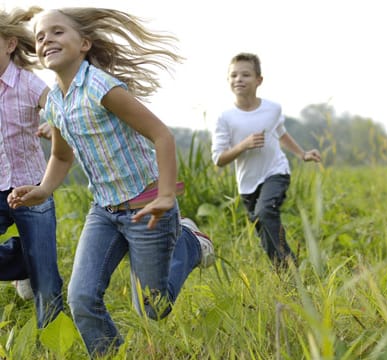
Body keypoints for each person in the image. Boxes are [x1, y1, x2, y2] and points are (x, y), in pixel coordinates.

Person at [8, 7, 214, 357]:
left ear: (84, 43)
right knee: (81, 298)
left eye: (57, 32)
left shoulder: (102, 86)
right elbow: (61, 156)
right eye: (41, 36)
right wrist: (42, 190)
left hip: (147, 206)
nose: (46, 40)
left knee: (152, 308)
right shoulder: (55, 102)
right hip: (104, 210)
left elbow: (161, 135)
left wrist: (165, 195)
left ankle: (191, 243)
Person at [211, 52, 321, 270]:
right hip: (247, 183)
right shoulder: (225, 118)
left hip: (275, 172)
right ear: (228, 81)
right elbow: (219, 159)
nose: (239, 79)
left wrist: (302, 154)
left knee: (265, 212)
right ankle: (283, 273)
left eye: (245, 75)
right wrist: (243, 145)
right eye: (233, 75)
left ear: (259, 80)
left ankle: (292, 271)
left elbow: (280, 132)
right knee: (263, 226)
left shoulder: (272, 109)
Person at [0, 6, 63, 328]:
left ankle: (54, 340)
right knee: (36, 259)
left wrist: (52, 127)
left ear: (10, 44)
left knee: (46, 277)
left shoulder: (30, 84)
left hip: (32, 187)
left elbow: (57, 113)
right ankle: (23, 259)